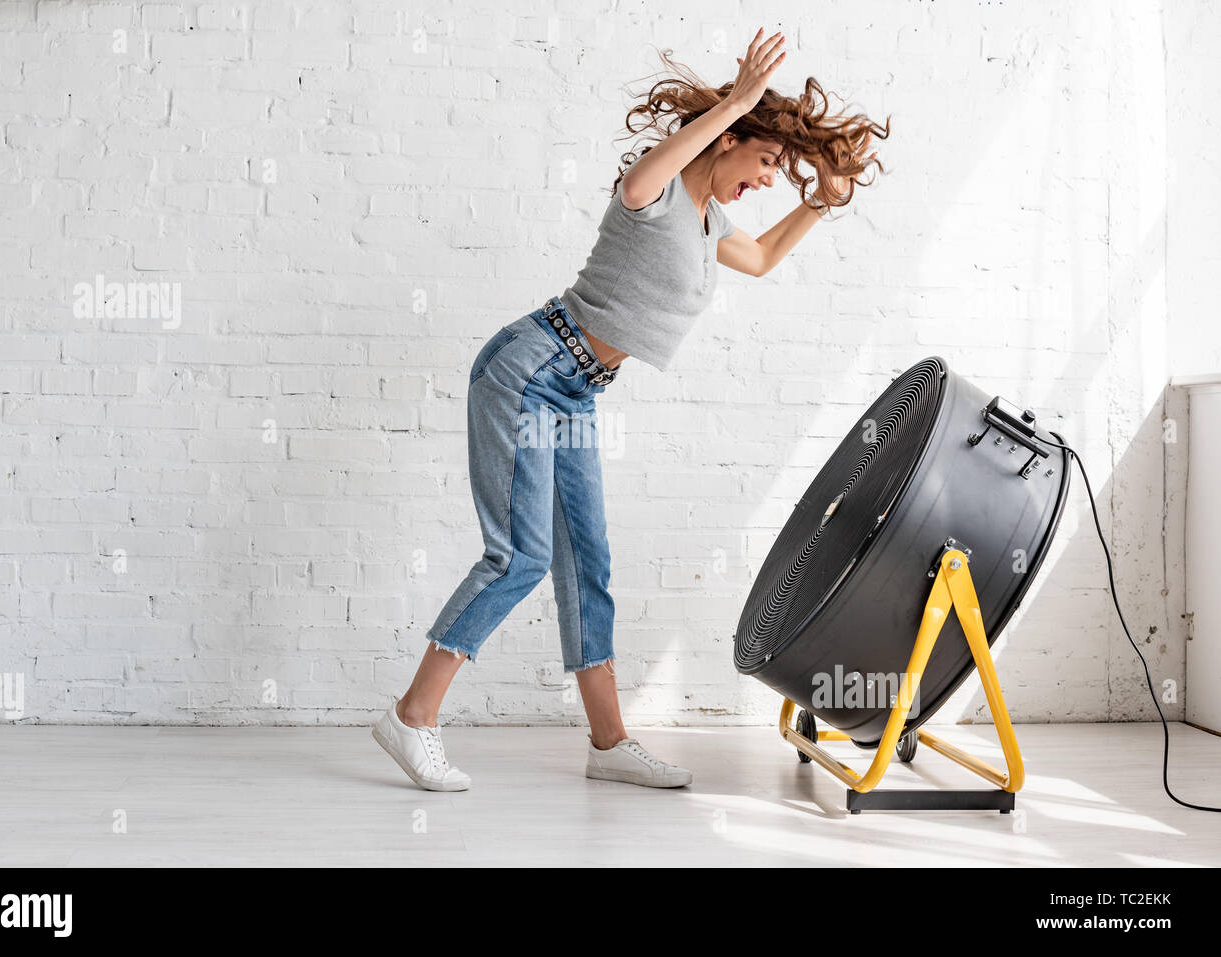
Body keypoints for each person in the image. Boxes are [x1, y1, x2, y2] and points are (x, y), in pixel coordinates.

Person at [374, 28, 889, 791]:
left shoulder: (712, 225)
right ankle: (412, 716)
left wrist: (818, 202)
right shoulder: (654, 193)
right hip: (527, 370)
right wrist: (740, 99)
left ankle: (609, 744)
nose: (768, 180)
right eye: (768, 162)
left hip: (577, 390)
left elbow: (766, 257)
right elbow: (660, 170)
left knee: (588, 566)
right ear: (732, 138)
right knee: (518, 558)